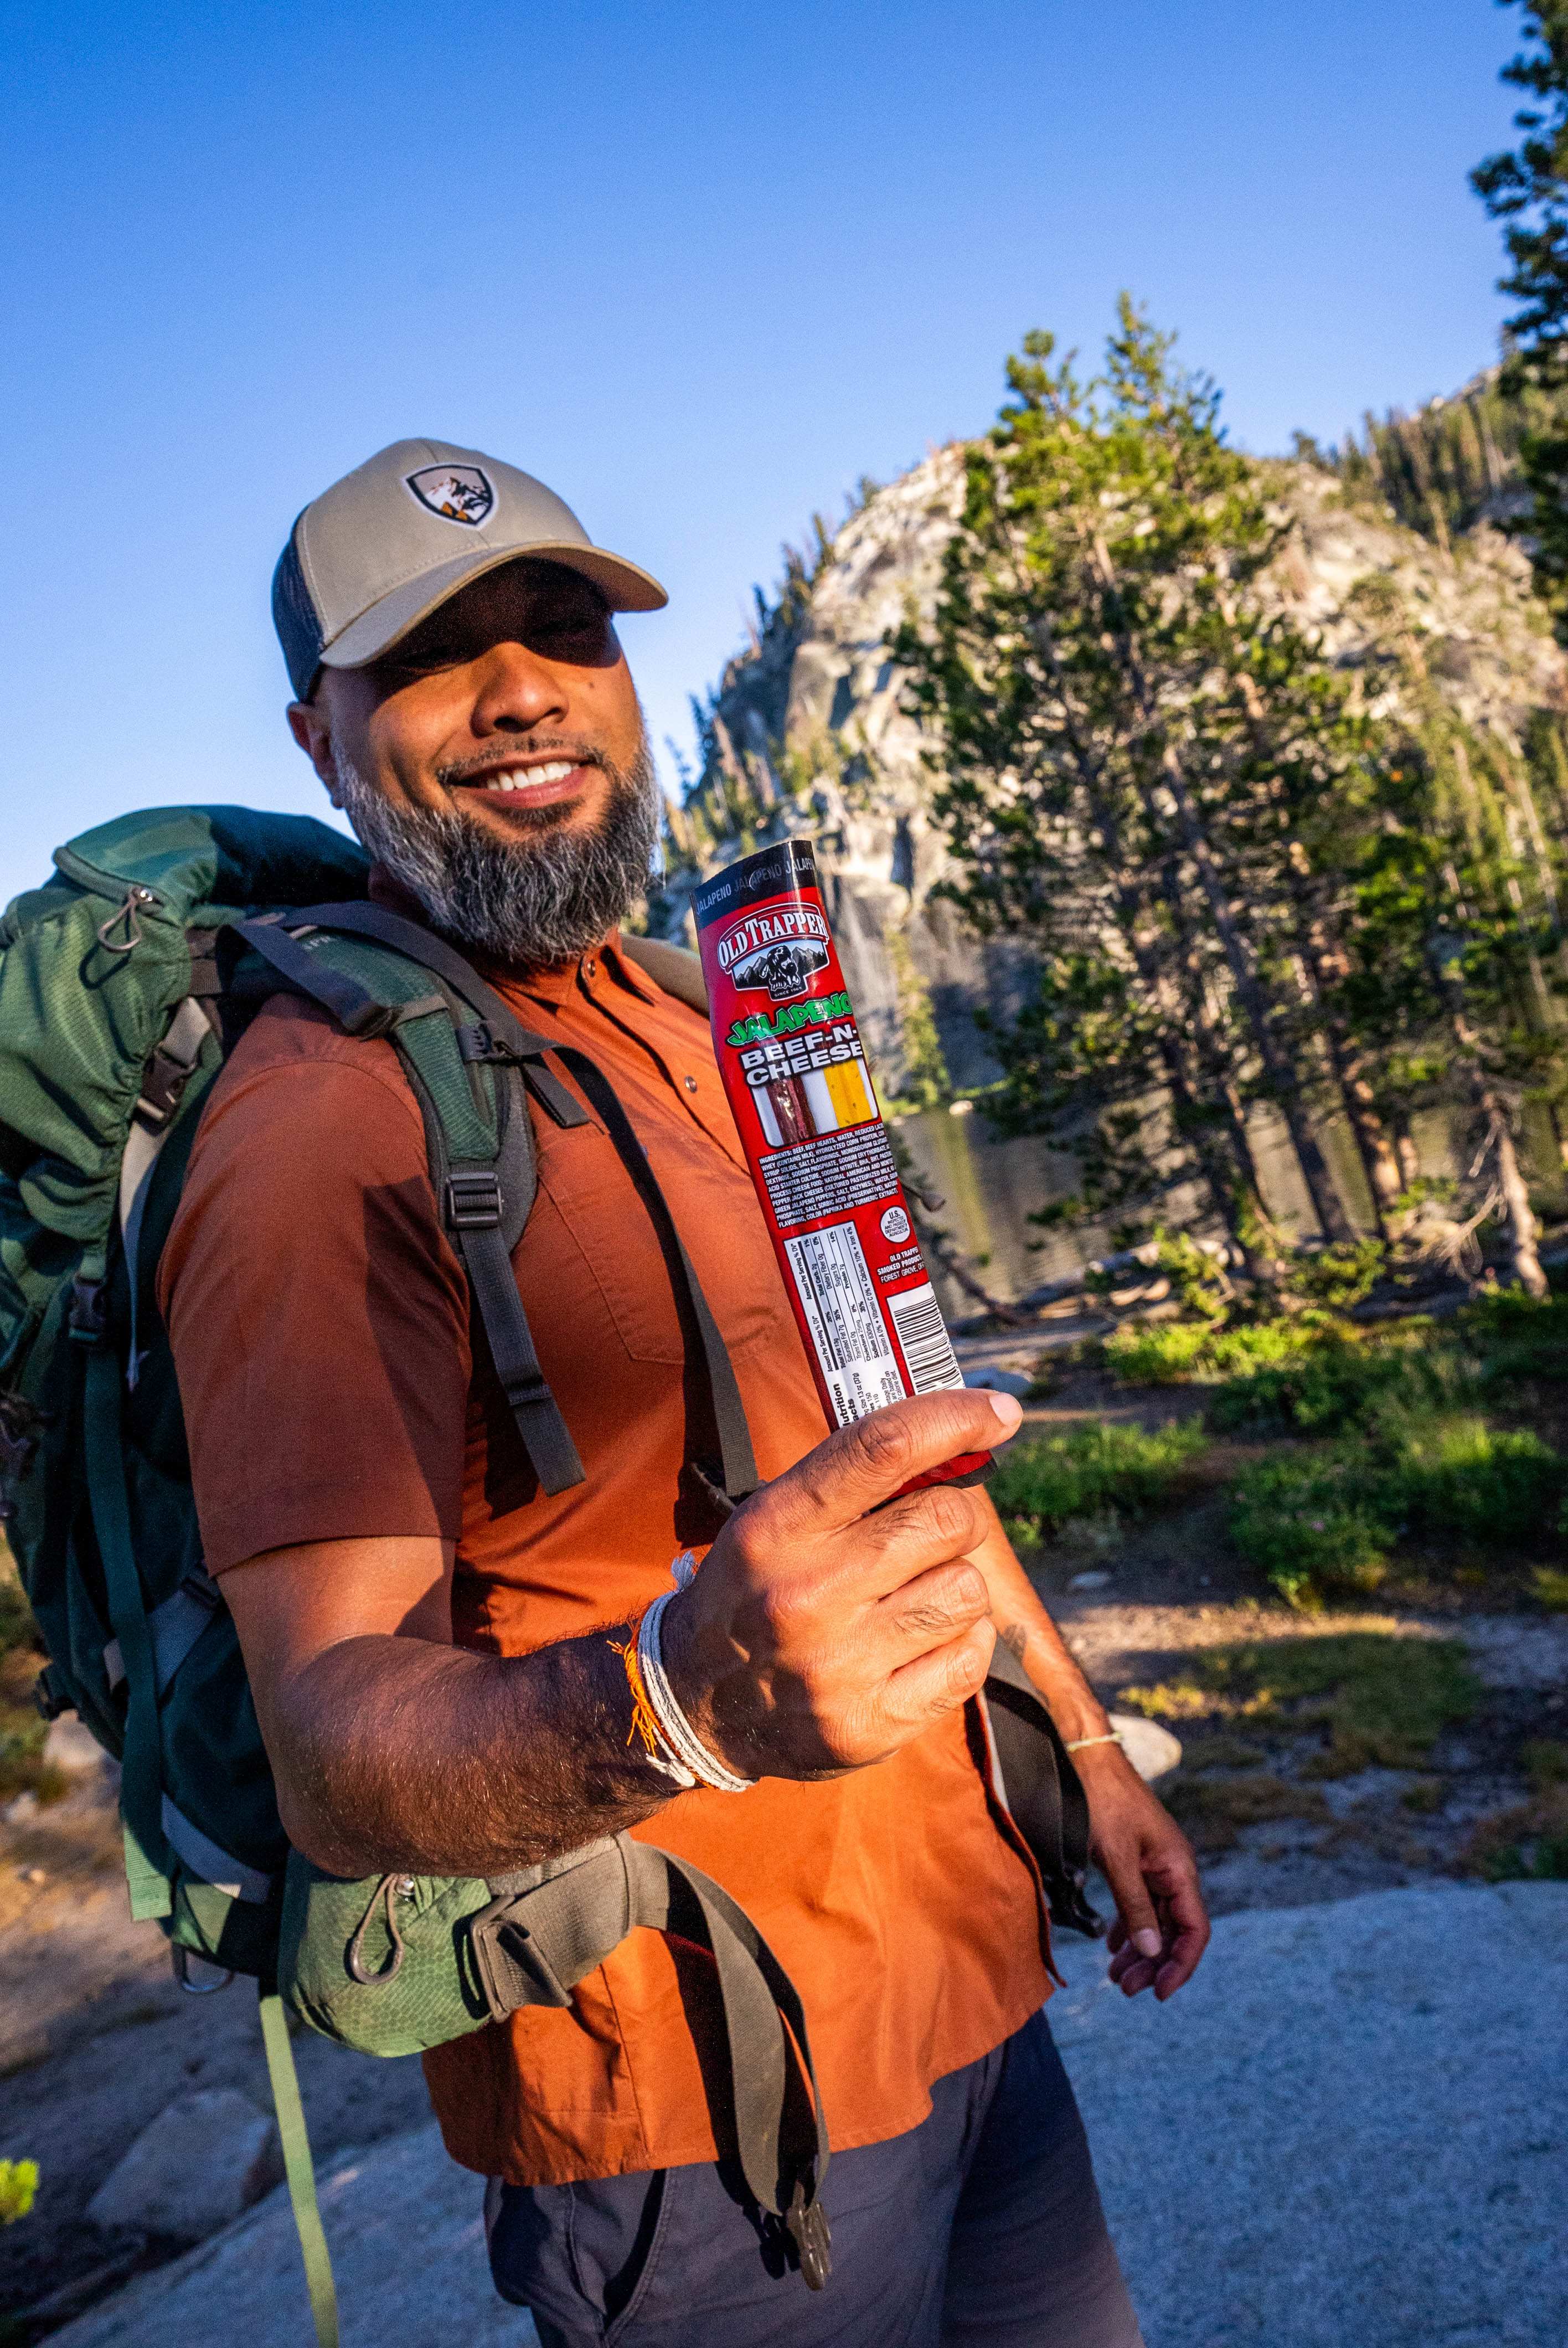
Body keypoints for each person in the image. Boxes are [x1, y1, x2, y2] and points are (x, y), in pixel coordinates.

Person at [159, 439, 1209, 2347]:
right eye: (430, 656)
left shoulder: (712, 1013)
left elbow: (898, 1427)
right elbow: (330, 1751)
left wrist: (1086, 1744)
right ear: (320, 740)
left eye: (565, 628)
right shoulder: (317, 1128)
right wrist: (676, 1700)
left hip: (976, 1977)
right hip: (702, 2114)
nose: (523, 688)